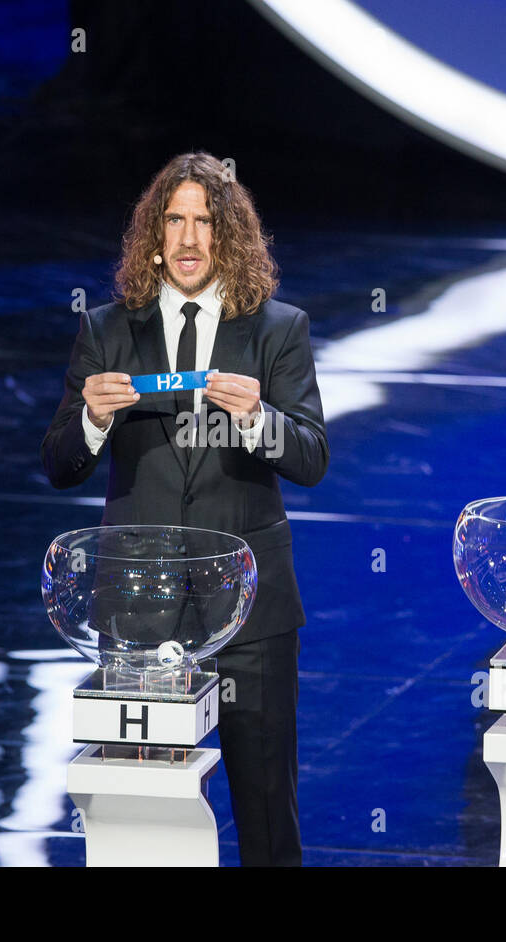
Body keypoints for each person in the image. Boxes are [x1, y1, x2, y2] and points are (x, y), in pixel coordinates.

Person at [40, 151, 328, 865]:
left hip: (252, 608)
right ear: (154, 233)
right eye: (175, 221)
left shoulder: (277, 329)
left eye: (205, 222)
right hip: (138, 605)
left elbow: (313, 457)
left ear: (229, 235)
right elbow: (59, 464)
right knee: (141, 813)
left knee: (266, 813)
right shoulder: (107, 329)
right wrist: (94, 421)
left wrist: (260, 419)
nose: (189, 239)